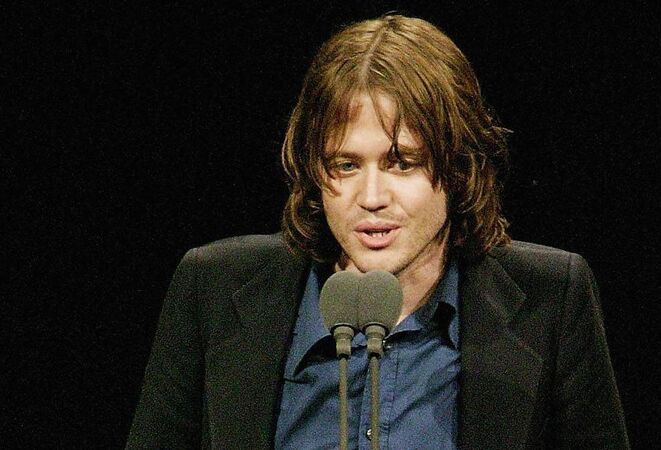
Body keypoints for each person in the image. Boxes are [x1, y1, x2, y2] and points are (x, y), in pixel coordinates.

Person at [127, 14, 629, 449]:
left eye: (401, 163)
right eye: (345, 165)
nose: (371, 197)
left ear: (458, 169)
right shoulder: (214, 288)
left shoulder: (551, 298)